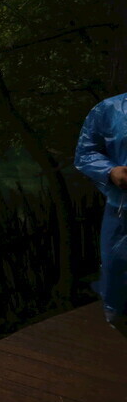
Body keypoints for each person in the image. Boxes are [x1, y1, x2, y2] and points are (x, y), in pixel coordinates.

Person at [74, 93, 127, 335]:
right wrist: (110, 171)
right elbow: (86, 153)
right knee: (117, 266)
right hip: (122, 209)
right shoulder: (110, 109)